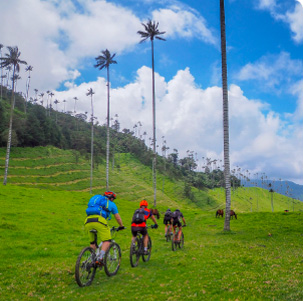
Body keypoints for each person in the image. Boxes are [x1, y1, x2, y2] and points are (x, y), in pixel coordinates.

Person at [84, 191, 124, 265]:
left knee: (93, 242)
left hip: (88, 220)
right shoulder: (112, 204)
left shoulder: (97, 202)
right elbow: (118, 218)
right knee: (107, 240)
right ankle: (100, 258)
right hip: (99, 221)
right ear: (112, 198)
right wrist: (121, 226)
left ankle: (92, 260)